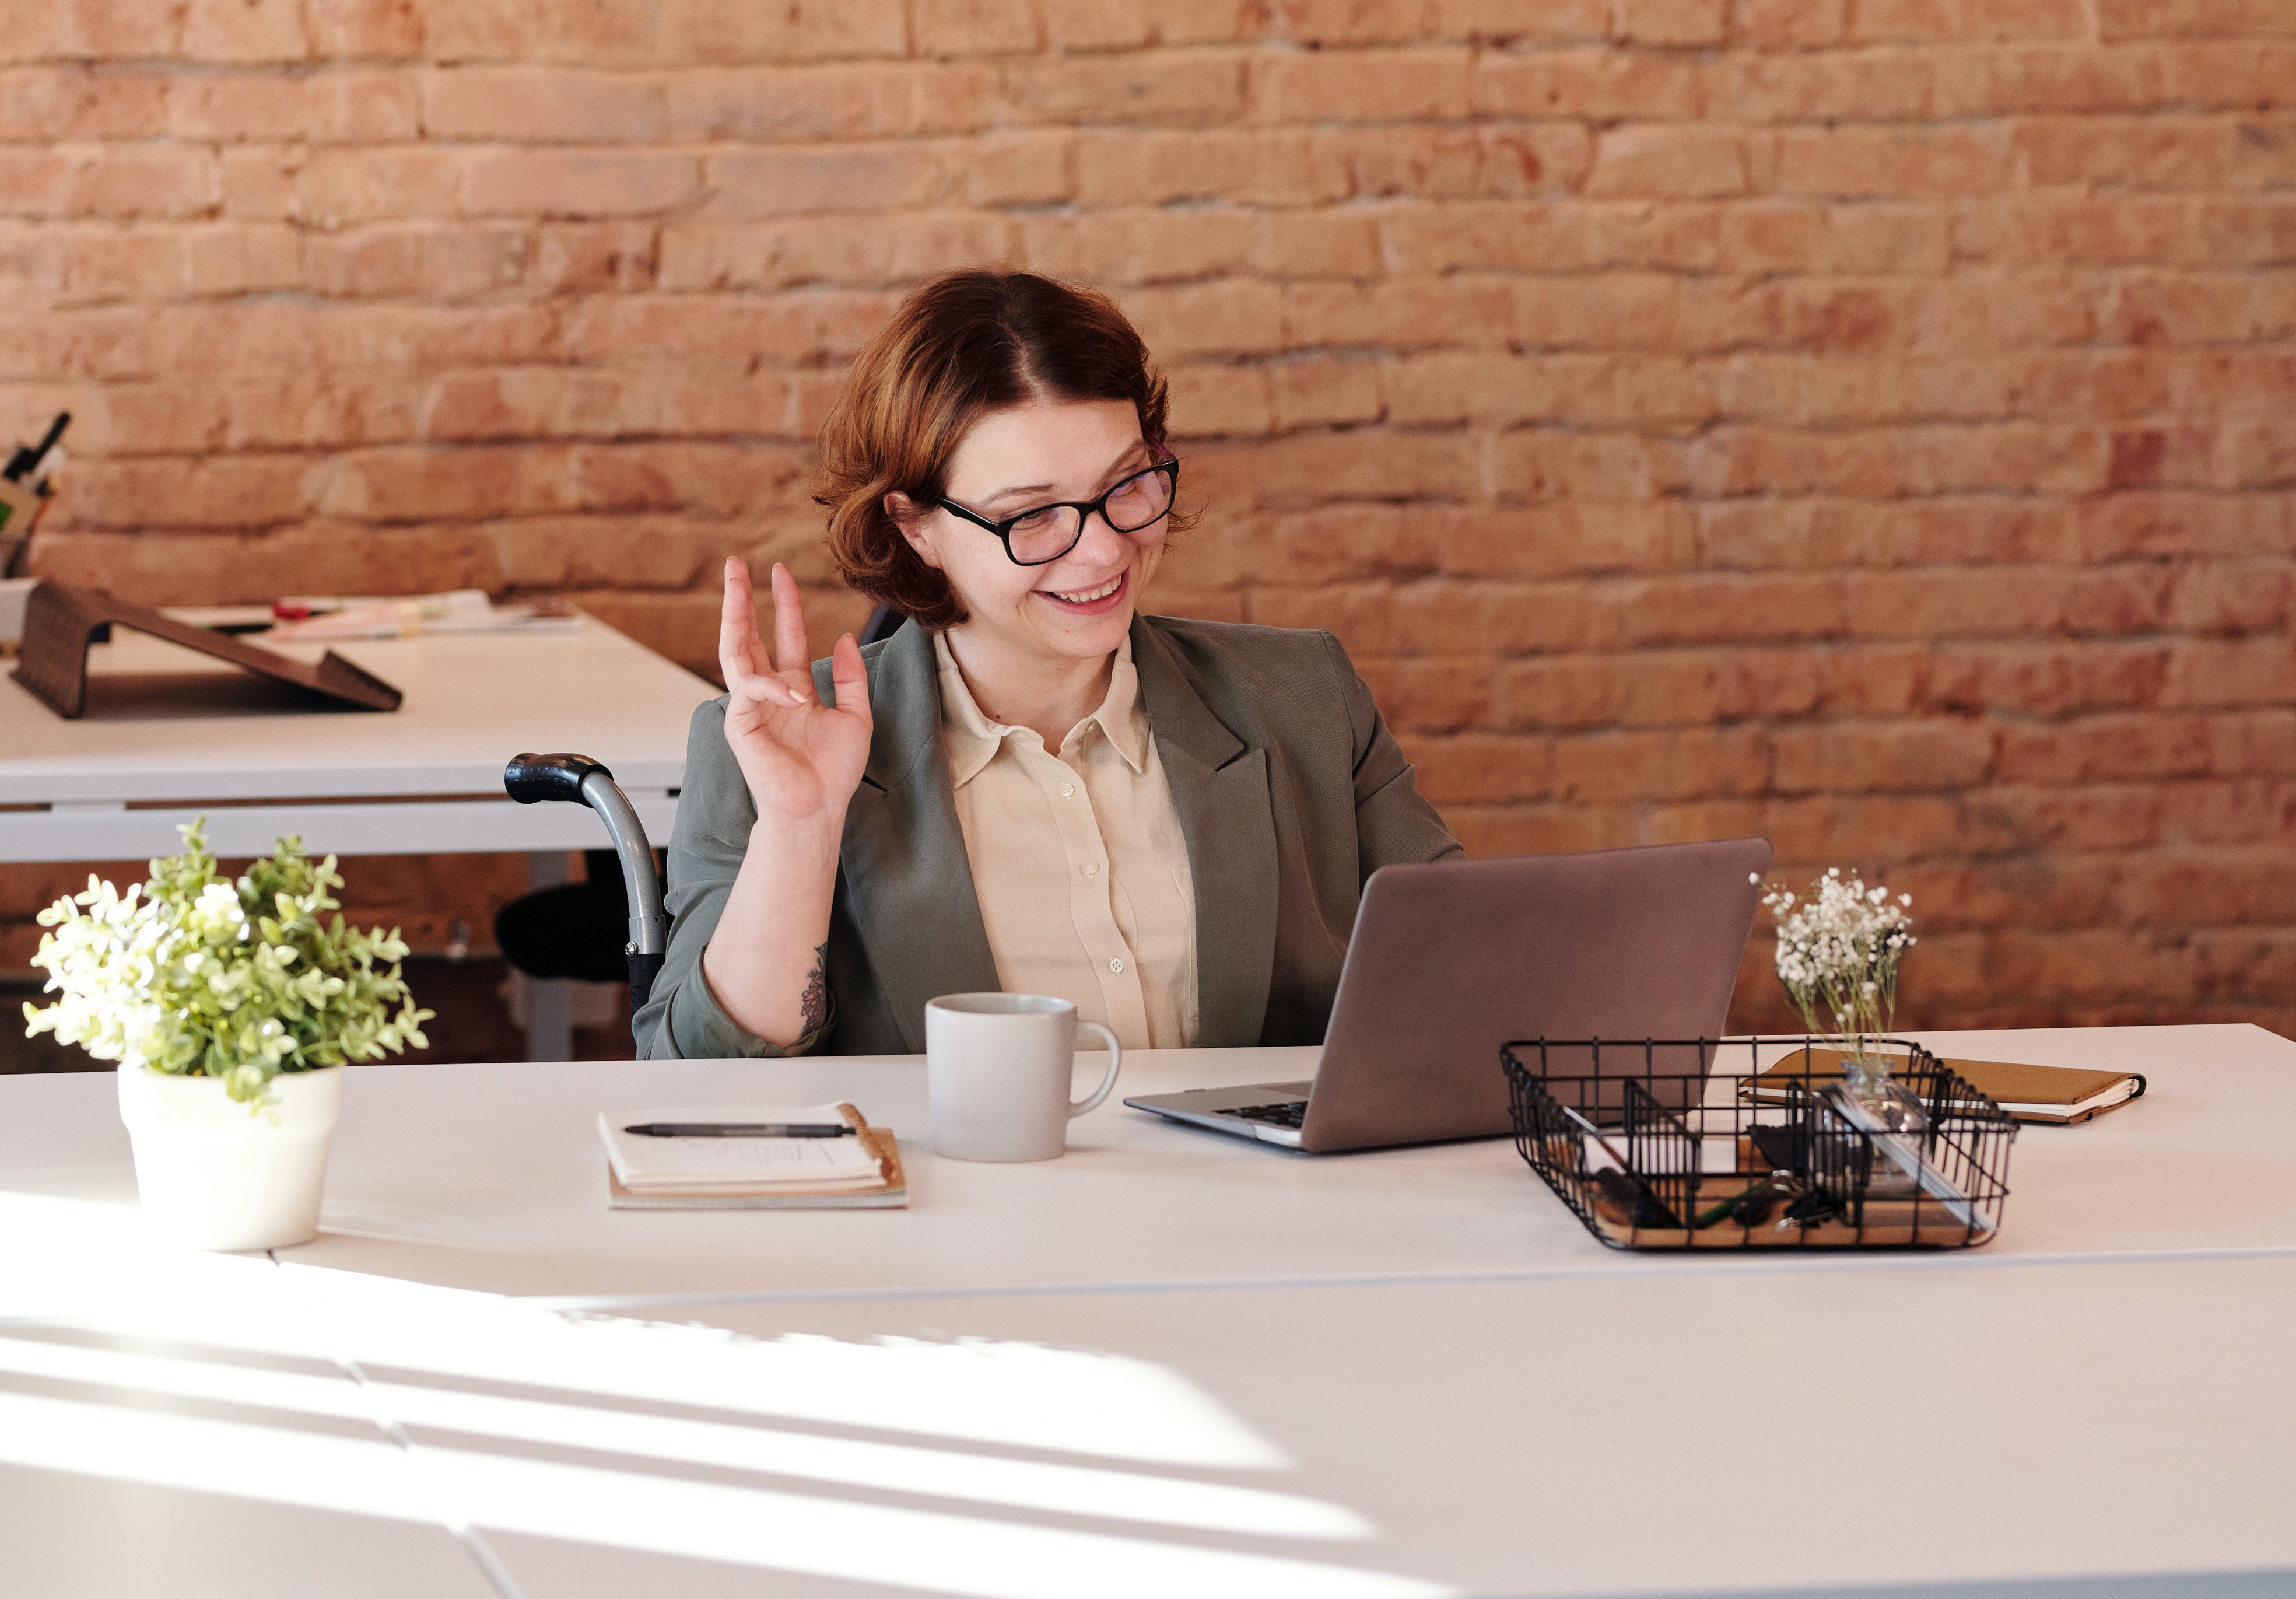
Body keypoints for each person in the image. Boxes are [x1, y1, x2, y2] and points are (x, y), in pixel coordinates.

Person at [633, 270, 1460, 1060]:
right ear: (915, 524)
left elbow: (1468, 975)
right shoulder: (769, 745)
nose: (1102, 549)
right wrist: (801, 832)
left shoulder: (1304, 698)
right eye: (1031, 515)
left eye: (1127, 483)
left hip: (1270, 1205)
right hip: (956, 1201)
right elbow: (697, 1071)